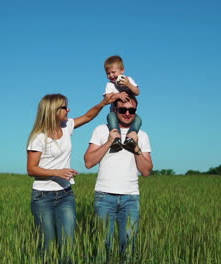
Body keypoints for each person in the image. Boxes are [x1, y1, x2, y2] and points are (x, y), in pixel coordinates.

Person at [26, 93, 115, 257]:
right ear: (53, 111)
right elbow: (31, 169)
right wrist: (57, 172)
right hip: (42, 197)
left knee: (68, 245)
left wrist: (103, 103)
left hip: (66, 195)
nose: (69, 109)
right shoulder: (38, 138)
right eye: (65, 107)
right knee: (47, 246)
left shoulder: (66, 126)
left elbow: (88, 116)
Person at [84, 92, 153, 261]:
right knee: (103, 246)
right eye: (123, 109)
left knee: (129, 247)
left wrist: (135, 146)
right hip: (104, 196)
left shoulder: (142, 135)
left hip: (131, 198)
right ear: (114, 109)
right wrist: (109, 142)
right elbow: (88, 162)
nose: (127, 113)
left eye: (132, 110)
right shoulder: (101, 130)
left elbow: (146, 171)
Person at [103, 55, 143, 153]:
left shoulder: (128, 80)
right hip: (116, 112)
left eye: (113, 72)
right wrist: (118, 95)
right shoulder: (110, 84)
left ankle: (130, 138)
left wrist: (128, 84)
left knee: (138, 120)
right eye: (108, 73)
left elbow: (137, 92)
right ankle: (116, 138)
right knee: (111, 117)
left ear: (122, 71)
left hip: (129, 112)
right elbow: (107, 97)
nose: (111, 75)